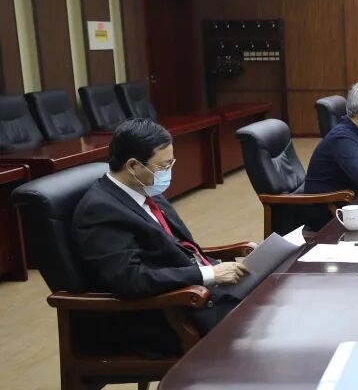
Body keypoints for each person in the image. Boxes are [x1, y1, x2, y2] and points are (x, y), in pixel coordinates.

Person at [72, 118, 250, 353]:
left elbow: (177, 246)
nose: (169, 172)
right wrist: (208, 274)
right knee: (260, 329)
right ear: (133, 165)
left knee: (273, 296)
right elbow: (130, 280)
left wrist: (215, 269)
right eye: (164, 166)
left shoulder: (145, 190)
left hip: (200, 295)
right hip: (168, 315)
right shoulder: (100, 210)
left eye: (171, 163)